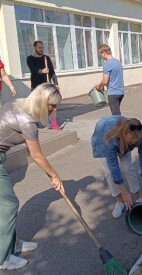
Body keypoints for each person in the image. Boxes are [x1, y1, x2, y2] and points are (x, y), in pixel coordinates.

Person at [0, 83, 64, 270]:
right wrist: (54, 176)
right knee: (8, 205)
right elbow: (36, 155)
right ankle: (3, 258)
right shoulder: (28, 121)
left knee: (5, 204)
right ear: (42, 102)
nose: (54, 109)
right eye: (51, 105)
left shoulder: (17, 104)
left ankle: (14, 244)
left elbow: (31, 148)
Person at [91, 116, 142, 218]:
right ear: (123, 135)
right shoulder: (110, 139)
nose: (133, 144)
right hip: (104, 130)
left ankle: (138, 198)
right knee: (109, 172)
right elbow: (113, 166)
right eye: (130, 141)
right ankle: (119, 201)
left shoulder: (140, 134)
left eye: (135, 142)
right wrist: (124, 192)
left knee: (128, 167)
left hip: (121, 134)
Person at [27, 41, 61, 130]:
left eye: (42, 47)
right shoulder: (30, 58)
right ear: (35, 48)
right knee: (36, 106)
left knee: (53, 104)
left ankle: (53, 124)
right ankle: (35, 124)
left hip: (47, 86)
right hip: (36, 86)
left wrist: (56, 84)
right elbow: (33, 69)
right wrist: (41, 71)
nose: (41, 49)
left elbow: (52, 72)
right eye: (39, 47)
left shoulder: (46, 58)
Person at [96, 44, 125, 115]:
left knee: (116, 115)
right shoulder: (117, 62)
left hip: (113, 93)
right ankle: (119, 125)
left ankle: (120, 126)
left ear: (104, 52)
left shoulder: (107, 64)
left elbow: (105, 81)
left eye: (100, 54)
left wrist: (99, 86)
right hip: (121, 92)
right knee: (116, 113)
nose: (101, 56)